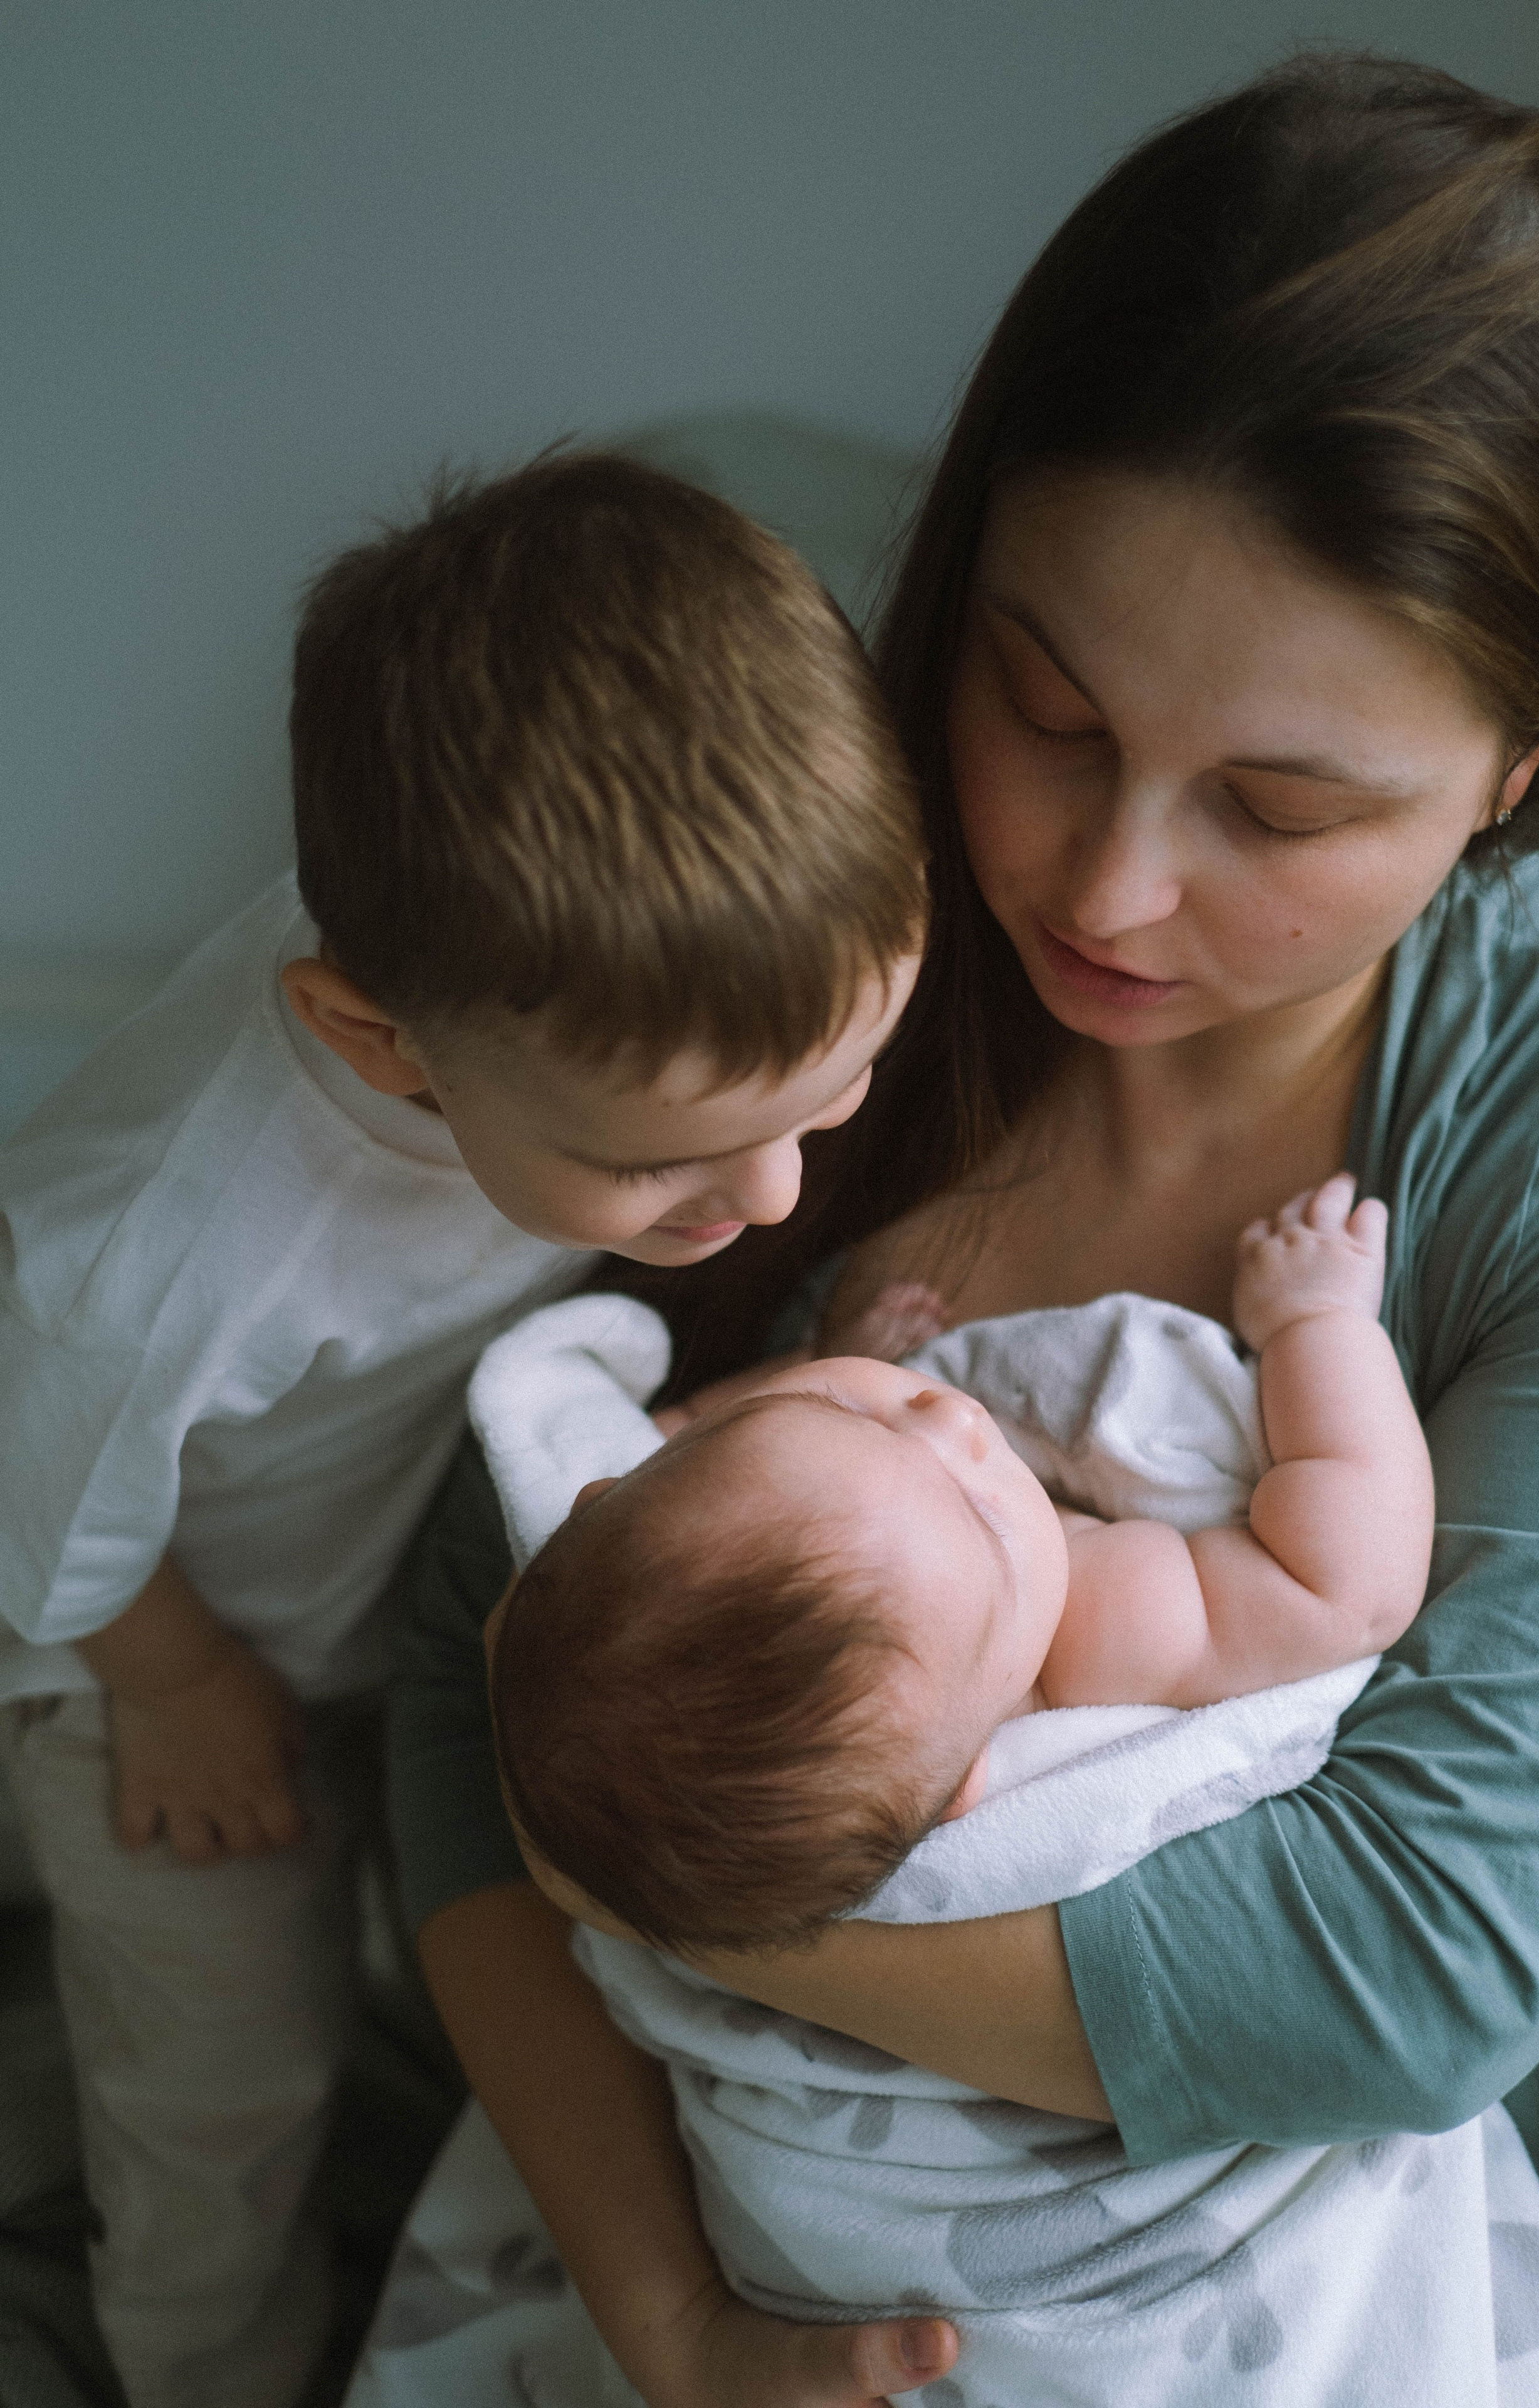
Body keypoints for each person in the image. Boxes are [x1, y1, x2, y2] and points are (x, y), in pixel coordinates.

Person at [377, 51, 1539, 2408]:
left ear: (1525, 765)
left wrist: (655, 1880)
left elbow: (1418, 1973)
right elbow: (477, 1677)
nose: (1107, 889)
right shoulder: (802, 908)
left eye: (1279, 806)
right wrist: (678, 2326)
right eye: (1040, 707)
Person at [0, 452, 924, 2408]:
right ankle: (199, 2364)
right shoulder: (167, 1239)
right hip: (145, 1671)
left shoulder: (564, 1015)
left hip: (360, 1597)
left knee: (376, 2004)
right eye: (667, 1162)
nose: (764, 1196)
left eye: (830, 1095)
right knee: (211, 2100)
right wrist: (170, 1682)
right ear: (374, 1041)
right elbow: (27, 1479)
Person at [493, 1175, 1431, 1955]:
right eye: (983, 1521)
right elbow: (1341, 1590)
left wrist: (834, 1355)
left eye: (841, 1414)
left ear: (603, 1490)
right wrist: (1316, 1325)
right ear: (969, 1785)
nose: (952, 1419)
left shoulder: (726, 1508)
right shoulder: (1089, 1630)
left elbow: (696, 1435)